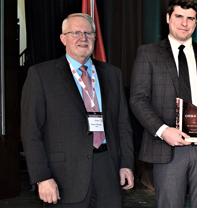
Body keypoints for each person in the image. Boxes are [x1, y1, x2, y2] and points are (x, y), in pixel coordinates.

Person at [21, 13, 134, 207]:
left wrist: (126, 164)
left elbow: (122, 123)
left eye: (88, 33)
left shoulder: (112, 74)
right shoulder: (41, 75)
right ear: (63, 38)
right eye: (76, 33)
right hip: (64, 176)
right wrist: (41, 177)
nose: (83, 38)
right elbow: (31, 131)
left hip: (108, 169)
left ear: (95, 38)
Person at [129, 0, 197, 208]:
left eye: (191, 18)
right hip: (167, 148)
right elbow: (138, 99)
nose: (184, 23)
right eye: (179, 16)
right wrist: (163, 130)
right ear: (168, 18)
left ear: (196, 22)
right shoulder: (148, 53)